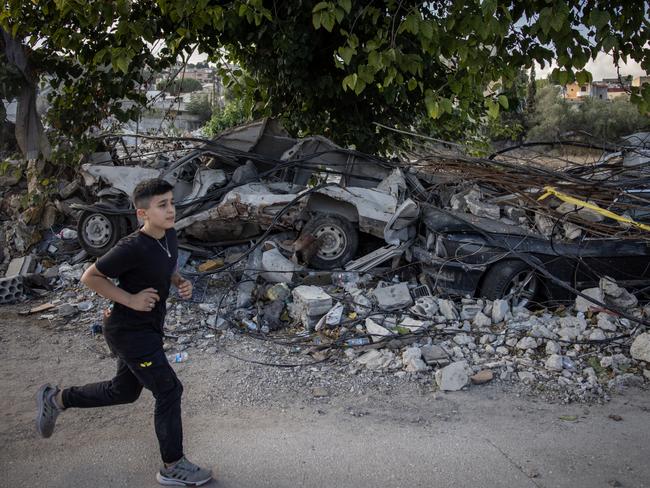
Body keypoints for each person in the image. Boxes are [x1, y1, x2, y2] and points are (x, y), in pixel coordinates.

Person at [35, 178, 213, 486]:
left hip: (148, 327)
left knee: (124, 391)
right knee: (169, 389)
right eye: (162, 205)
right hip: (129, 332)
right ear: (143, 214)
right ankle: (173, 465)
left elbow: (166, 267)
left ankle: (57, 399)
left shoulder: (168, 236)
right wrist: (129, 299)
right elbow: (90, 276)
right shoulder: (131, 246)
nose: (171, 210)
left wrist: (177, 281)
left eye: (171, 202)